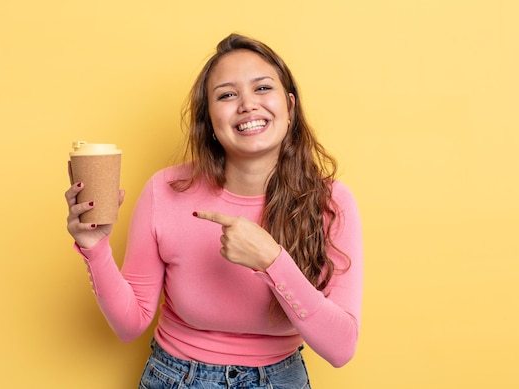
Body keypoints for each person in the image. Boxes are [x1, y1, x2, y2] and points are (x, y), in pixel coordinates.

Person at [65, 33, 363, 389]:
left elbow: (341, 348)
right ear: (209, 121)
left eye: (263, 88)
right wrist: (95, 248)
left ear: (290, 107)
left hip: (281, 379)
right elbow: (130, 325)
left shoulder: (331, 202)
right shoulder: (165, 191)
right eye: (227, 95)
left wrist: (271, 260)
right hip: (176, 378)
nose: (248, 105)